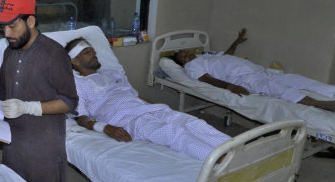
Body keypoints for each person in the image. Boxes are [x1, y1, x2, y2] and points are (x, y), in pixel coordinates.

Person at [65, 38, 231, 161]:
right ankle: (221, 161)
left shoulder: (112, 74)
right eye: (87, 52)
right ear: (75, 61)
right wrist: (106, 128)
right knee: (174, 133)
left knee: (194, 123)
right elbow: (81, 117)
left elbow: (136, 96)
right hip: (128, 119)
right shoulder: (76, 84)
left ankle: (237, 149)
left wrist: (161, 109)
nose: (94, 53)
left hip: (150, 110)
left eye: (92, 50)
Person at [0, 0, 78, 182]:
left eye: (13, 25)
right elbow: (0, 93)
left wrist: (29, 107)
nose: (7, 33)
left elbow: (70, 101)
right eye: (3, 26)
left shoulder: (53, 54)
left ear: (30, 21)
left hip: (43, 147)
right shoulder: (10, 51)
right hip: (13, 143)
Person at [174, 28, 335, 112]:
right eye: (182, 56)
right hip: (245, 80)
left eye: (185, 52)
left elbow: (226, 56)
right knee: (277, 89)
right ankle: (320, 104)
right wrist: (230, 87)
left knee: (297, 79)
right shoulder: (191, 68)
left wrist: (236, 41)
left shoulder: (206, 57)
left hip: (260, 71)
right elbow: (207, 80)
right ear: (182, 64)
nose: (186, 55)